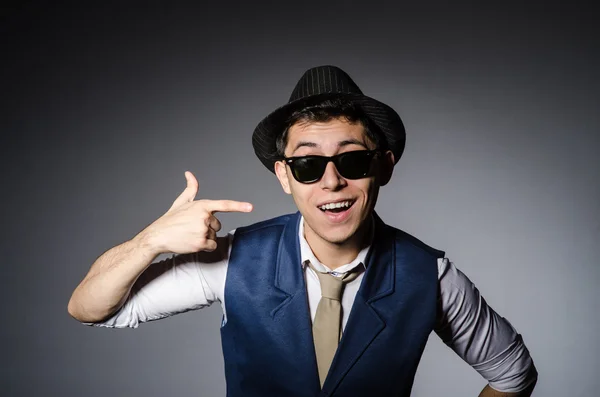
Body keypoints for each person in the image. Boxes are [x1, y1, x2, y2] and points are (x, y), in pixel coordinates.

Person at [68, 65, 538, 397]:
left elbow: (513, 373)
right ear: (284, 176)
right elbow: (90, 309)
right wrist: (149, 241)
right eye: (309, 164)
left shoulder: (430, 275)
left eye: (352, 160)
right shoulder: (234, 261)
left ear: (384, 167)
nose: (332, 181)